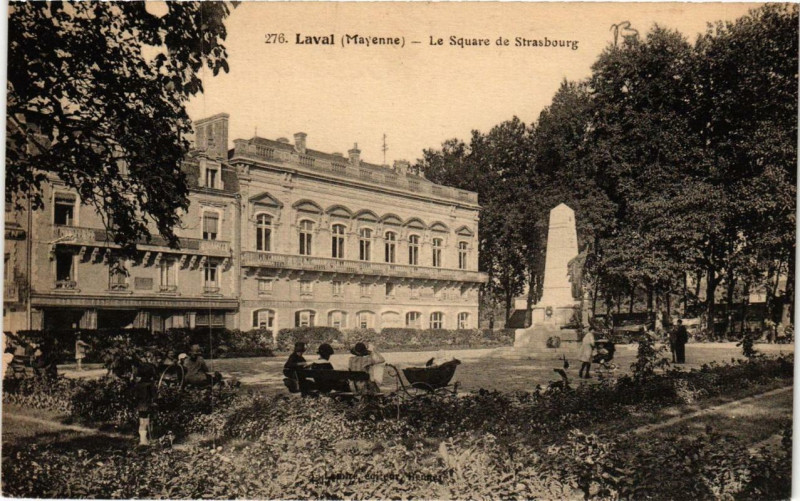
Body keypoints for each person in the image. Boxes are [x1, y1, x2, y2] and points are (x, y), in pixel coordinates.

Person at [134, 364, 157, 446]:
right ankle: (144, 441)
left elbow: (136, 396)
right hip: (147, 405)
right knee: (146, 423)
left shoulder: (138, 385)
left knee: (141, 422)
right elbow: (154, 396)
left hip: (140, 406)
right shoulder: (150, 385)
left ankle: (143, 439)